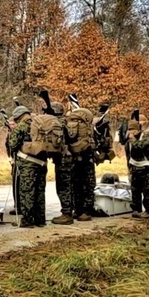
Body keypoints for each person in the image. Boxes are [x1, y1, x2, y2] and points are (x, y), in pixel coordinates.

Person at [8, 106, 47, 227]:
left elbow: (13, 145)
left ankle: (28, 219)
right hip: (42, 163)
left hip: (27, 163)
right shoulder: (41, 124)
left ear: (18, 117)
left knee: (27, 191)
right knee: (40, 191)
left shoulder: (21, 126)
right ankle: (40, 220)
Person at [65, 94, 95, 222]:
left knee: (75, 184)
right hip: (87, 157)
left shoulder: (70, 125)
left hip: (74, 157)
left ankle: (77, 210)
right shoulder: (89, 127)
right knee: (87, 184)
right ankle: (86, 211)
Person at [122, 110, 149, 219]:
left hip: (146, 167)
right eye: (129, 130)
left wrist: (132, 140)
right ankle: (136, 209)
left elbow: (141, 146)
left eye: (132, 129)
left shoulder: (145, 137)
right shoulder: (128, 142)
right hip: (134, 167)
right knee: (135, 190)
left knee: (148, 190)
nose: (130, 132)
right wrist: (129, 169)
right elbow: (128, 155)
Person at [49, 101, 75, 225]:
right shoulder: (68, 122)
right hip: (71, 157)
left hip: (63, 159)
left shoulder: (56, 124)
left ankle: (66, 213)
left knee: (63, 187)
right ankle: (71, 210)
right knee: (70, 185)